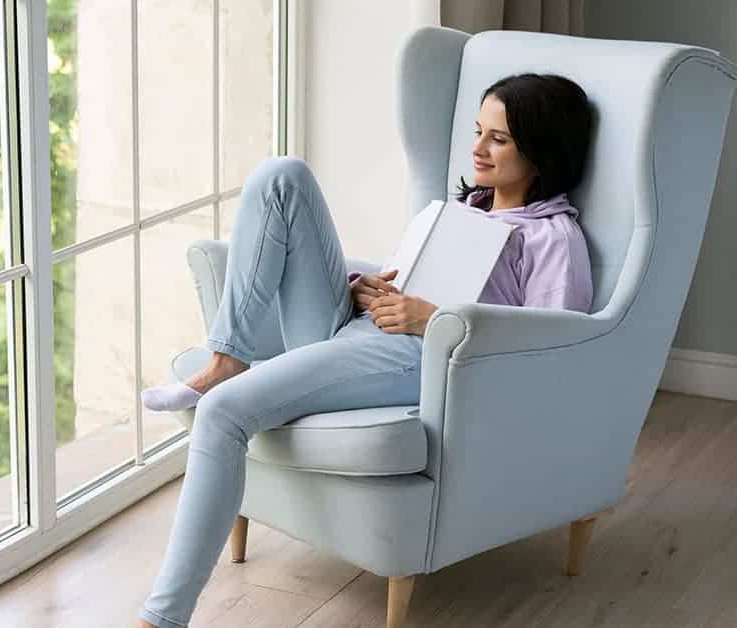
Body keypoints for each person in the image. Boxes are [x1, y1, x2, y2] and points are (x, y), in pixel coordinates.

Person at [135, 73, 595, 628]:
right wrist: (364, 288)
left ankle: (161, 619)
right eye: (478, 131)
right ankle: (226, 356)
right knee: (282, 176)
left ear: (542, 151)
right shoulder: (460, 209)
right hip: (360, 327)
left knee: (222, 412)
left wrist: (433, 320)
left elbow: (553, 349)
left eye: (498, 139)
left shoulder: (552, 237)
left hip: (412, 358)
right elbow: (405, 280)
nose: (477, 148)